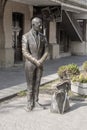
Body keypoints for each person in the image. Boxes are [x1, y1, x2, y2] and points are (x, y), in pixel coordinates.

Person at [22, 17, 49, 111]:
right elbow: (25, 52)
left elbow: (46, 51)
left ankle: (36, 101)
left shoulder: (43, 37)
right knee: (30, 84)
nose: (41, 26)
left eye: (41, 24)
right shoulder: (26, 36)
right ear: (33, 25)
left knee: (37, 83)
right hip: (30, 65)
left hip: (40, 64)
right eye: (39, 24)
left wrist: (41, 61)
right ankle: (29, 103)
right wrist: (35, 61)